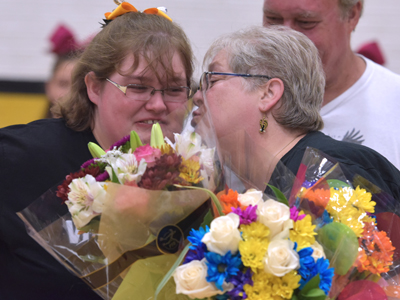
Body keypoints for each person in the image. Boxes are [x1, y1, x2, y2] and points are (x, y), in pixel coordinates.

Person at [0, 3, 194, 300]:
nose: (158, 105)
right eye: (138, 87)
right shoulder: (19, 157)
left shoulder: (194, 181)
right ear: (94, 87)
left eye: (174, 89)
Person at [192, 26, 400, 202]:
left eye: (212, 80)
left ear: (268, 93)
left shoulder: (334, 172)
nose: (197, 97)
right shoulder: (245, 191)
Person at [262, 0, 400, 169]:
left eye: (306, 23)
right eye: (272, 19)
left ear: (351, 15)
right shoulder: (243, 95)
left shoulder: (394, 101)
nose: (285, 38)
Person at [45, 24, 86, 118]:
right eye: (63, 84)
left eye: (80, 85)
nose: (70, 94)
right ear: (48, 87)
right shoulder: (30, 132)